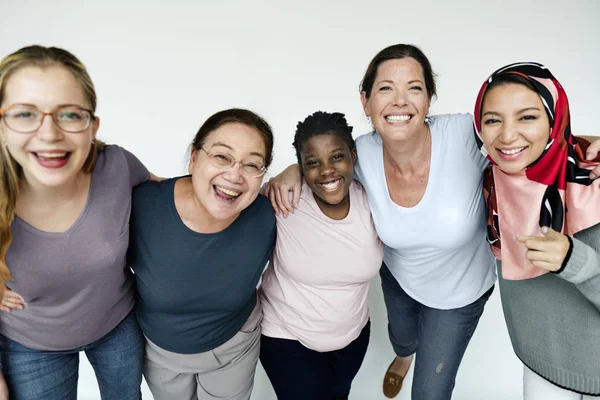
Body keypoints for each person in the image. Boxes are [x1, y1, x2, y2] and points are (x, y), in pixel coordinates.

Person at [265, 44, 600, 400]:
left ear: (428, 100)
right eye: (385, 89)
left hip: (459, 294)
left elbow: (524, 138)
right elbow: (324, 163)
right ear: (365, 102)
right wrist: (292, 171)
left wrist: (588, 143)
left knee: (430, 393)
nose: (399, 101)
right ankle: (403, 355)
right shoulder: (358, 153)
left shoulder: (465, 136)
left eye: (414, 87)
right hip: (398, 277)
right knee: (402, 335)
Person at [0, 45, 152, 399]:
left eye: (69, 114)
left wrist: (287, 177)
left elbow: (182, 197)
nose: (50, 134)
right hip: (31, 345)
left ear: (92, 125)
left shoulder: (116, 166)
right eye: (25, 114)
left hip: (117, 326)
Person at [127, 108, 276, 400]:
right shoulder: (141, 207)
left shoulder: (267, 215)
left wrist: (293, 171)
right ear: (194, 158)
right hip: (160, 353)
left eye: (252, 165)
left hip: (235, 346)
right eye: (222, 156)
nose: (234, 175)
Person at [474, 62, 600, 399]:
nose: (507, 135)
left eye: (527, 117)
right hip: (541, 364)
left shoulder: (594, 183)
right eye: (492, 120)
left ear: (554, 119)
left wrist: (576, 261)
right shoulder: (491, 185)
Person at [258, 111, 384, 400]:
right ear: (302, 167)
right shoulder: (283, 198)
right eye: (312, 162)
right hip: (286, 337)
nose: (326, 170)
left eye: (337, 156)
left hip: (352, 337)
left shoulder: (372, 199)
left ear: (353, 155)